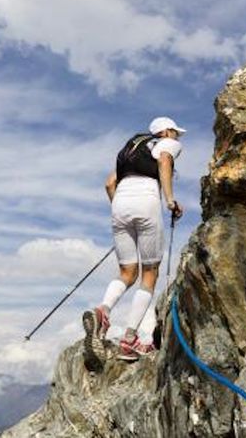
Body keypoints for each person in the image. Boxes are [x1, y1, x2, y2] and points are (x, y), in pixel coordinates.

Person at [83, 117, 185, 361]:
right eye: (176, 133)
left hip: (120, 204)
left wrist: (123, 214)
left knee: (127, 271)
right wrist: (170, 200)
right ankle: (129, 340)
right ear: (166, 131)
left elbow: (109, 184)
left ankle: (102, 311)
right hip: (146, 200)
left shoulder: (131, 149)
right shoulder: (166, 143)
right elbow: (164, 161)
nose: (177, 138)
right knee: (150, 273)